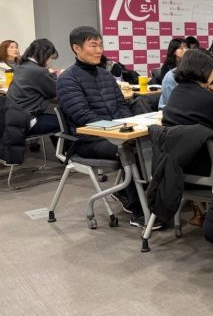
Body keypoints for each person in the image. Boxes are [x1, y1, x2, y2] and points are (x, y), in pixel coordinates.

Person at [56, 27, 157, 229]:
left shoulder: (105, 75)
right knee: (132, 150)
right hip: (87, 141)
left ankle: (139, 197)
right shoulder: (67, 79)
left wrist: (129, 126)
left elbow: (121, 106)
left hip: (115, 134)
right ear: (76, 48)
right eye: (93, 45)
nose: (99, 50)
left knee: (152, 142)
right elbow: (82, 115)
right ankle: (140, 210)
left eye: (100, 45)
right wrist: (117, 130)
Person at [162, 49, 213, 226]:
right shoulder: (210, 99)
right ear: (205, 71)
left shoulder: (176, 93)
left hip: (177, 166)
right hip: (206, 168)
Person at [6, 39, 60, 136]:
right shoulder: (38, 71)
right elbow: (55, 91)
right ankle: (65, 147)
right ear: (45, 55)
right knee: (65, 121)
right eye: (50, 57)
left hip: (13, 120)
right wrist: (56, 75)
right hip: (27, 121)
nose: (50, 61)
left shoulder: (21, 66)